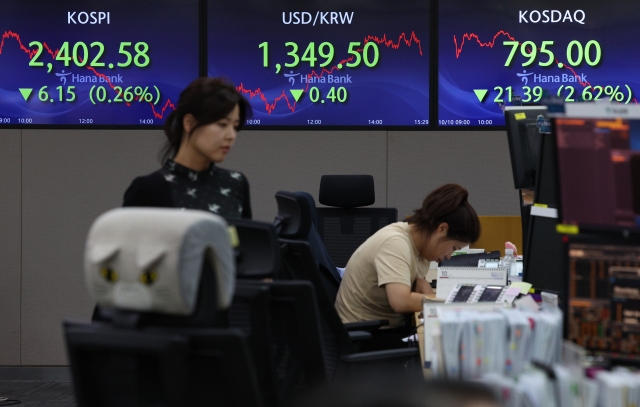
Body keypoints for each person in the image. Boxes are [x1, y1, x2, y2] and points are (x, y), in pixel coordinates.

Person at [334, 184, 480, 348]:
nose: (449, 256)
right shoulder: (395, 243)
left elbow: (418, 282)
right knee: (446, 346)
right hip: (362, 336)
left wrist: (426, 290)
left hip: (382, 329)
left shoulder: (422, 246)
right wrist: (454, 303)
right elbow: (401, 301)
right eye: (454, 248)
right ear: (442, 229)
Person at [122, 77, 253, 219]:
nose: (231, 135)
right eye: (222, 124)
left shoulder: (236, 184)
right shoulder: (148, 189)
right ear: (189, 123)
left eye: (235, 126)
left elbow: (246, 240)